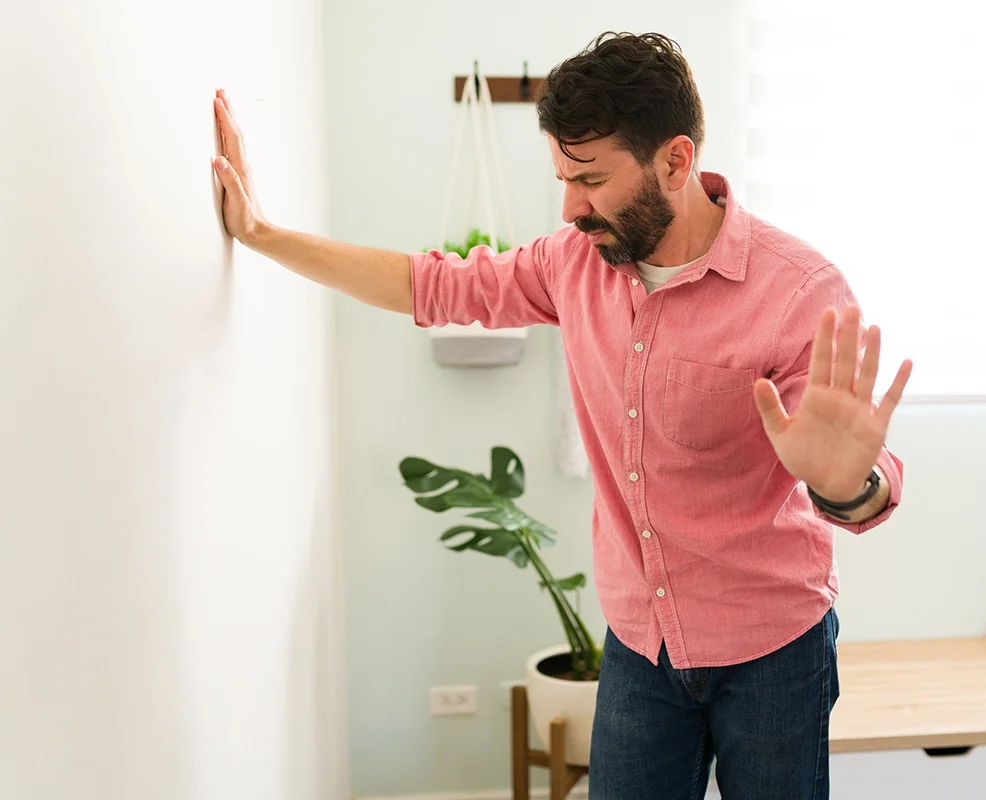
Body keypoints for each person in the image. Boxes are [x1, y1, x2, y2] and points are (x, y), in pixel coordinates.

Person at [213, 31, 912, 800]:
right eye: (562, 178)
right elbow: (430, 287)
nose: (570, 207)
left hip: (774, 648)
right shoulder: (571, 263)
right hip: (640, 647)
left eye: (590, 179)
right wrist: (260, 234)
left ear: (676, 162)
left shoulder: (798, 291)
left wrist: (846, 484)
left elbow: (861, 480)